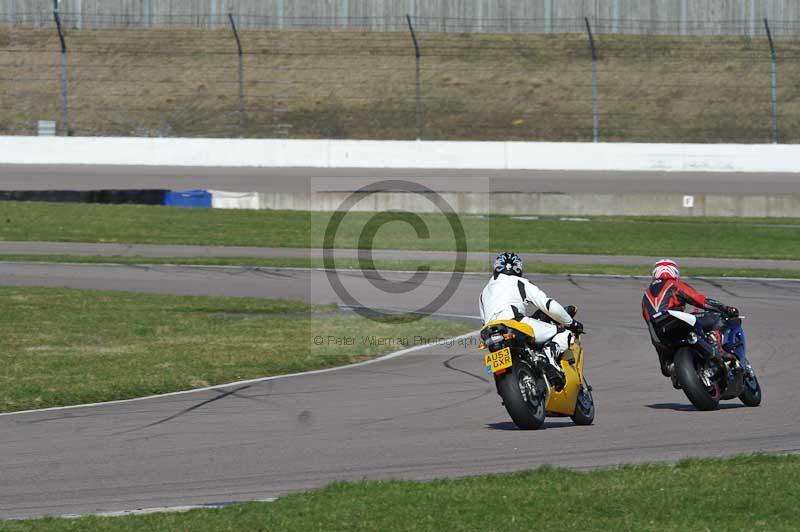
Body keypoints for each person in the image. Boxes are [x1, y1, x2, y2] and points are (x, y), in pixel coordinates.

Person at [479, 252, 583, 391]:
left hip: (489, 332)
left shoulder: (484, 292)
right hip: (514, 323)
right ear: (518, 269)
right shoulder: (520, 282)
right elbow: (548, 305)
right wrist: (571, 323)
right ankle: (549, 356)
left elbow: (483, 320)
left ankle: (511, 384)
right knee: (563, 333)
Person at [641, 258, 739, 387]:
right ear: (675, 272)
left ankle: (672, 367)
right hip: (678, 323)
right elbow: (701, 301)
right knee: (716, 317)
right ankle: (720, 349)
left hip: (659, 336)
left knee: (667, 370)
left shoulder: (645, 295)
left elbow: (649, 321)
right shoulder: (674, 285)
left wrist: (663, 360)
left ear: (655, 274)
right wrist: (725, 308)